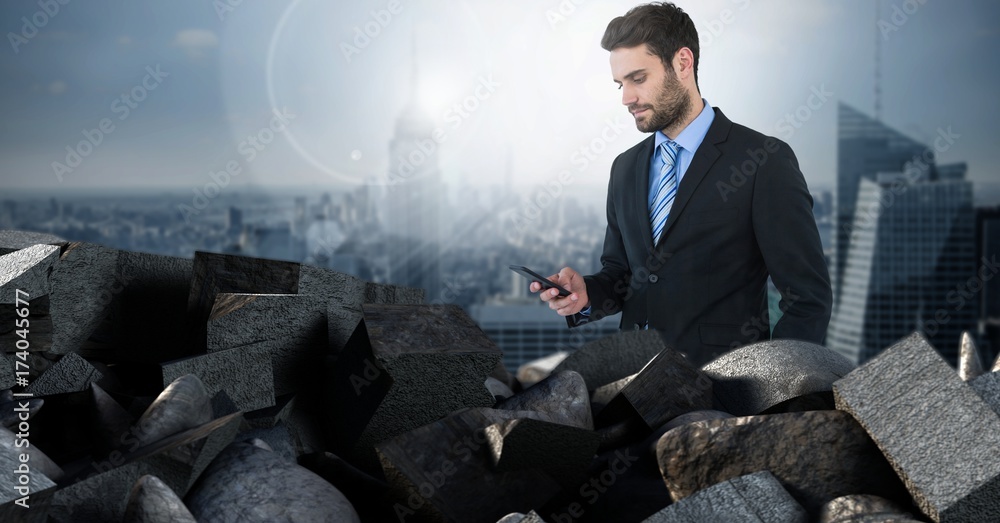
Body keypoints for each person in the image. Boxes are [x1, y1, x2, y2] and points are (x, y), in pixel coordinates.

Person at [531, 2, 832, 366]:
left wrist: (775, 391)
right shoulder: (625, 168)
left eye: (638, 78)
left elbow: (807, 298)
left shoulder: (763, 160)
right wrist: (586, 295)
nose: (626, 98)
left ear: (683, 63)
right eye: (620, 84)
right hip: (632, 385)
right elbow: (623, 275)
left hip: (724, 394)